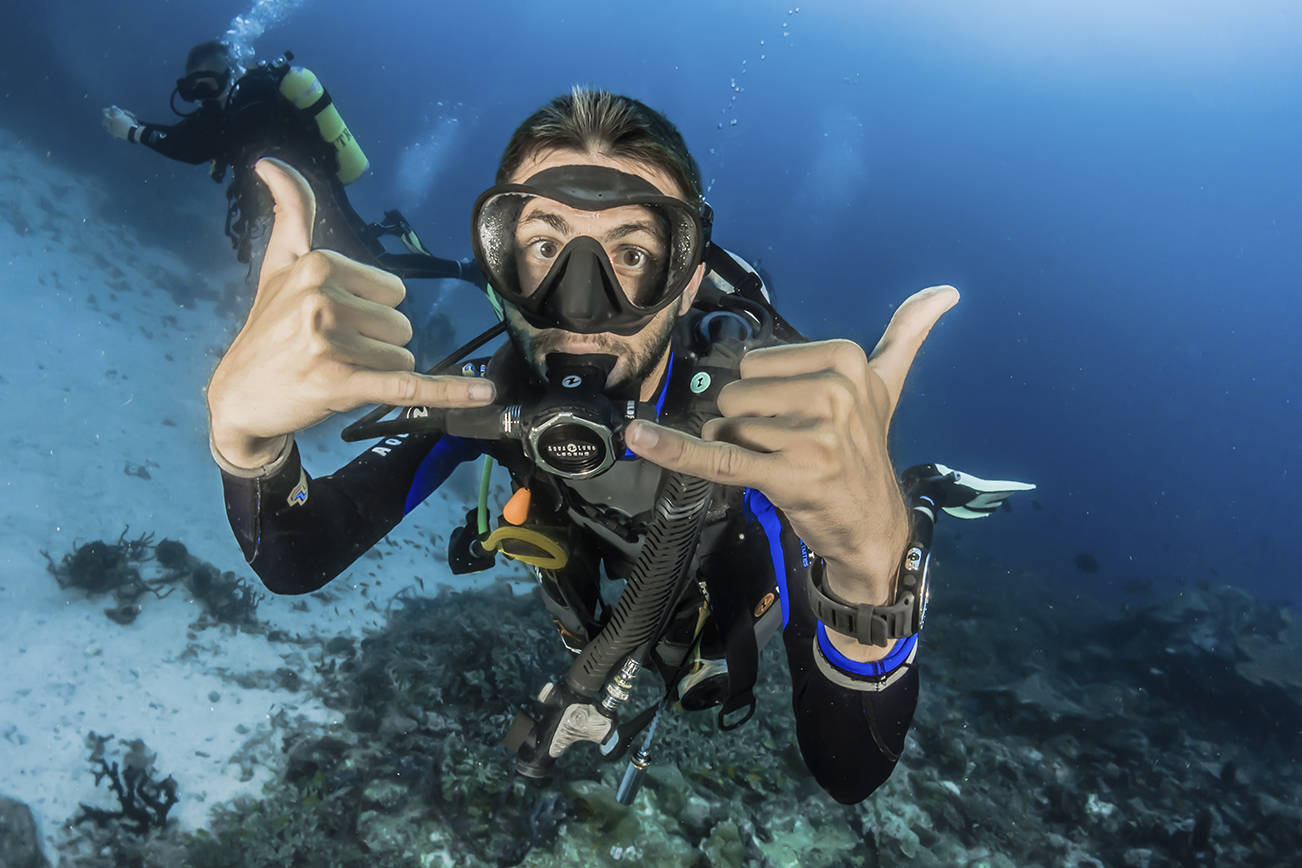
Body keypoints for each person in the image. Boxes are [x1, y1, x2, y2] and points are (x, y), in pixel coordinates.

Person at [205, 87, 1028, 804]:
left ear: (689, 276)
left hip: (724, 597)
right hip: (605, 615)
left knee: (837, 545)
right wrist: (245, 440)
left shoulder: (761, 426)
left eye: (633, 253)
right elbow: (296, 556)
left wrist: (870, 569)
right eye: (542, 246)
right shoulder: (486, 391)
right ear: (498, 265)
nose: (581, 302)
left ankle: (910, 498)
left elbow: (849, 769)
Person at [102, 39, 473, 284]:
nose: (201, 99)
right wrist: (138, 126)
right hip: (305, 196)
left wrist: (135, 133)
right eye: (193, 90)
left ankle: (469, 272)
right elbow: (192, 135)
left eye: (207, 88)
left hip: (316, 194)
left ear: (227, 77)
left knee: (377, 266)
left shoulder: (248, 101)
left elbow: (193, 147)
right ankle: (389, 226)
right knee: (337, 253)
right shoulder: (236, 104)